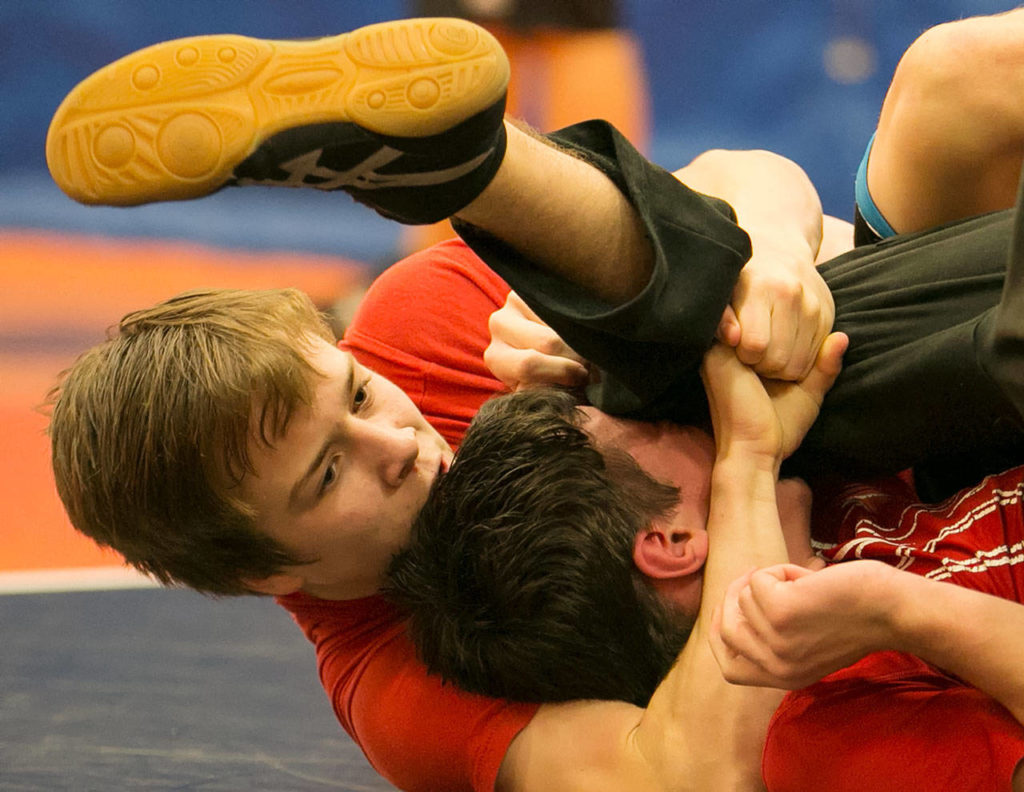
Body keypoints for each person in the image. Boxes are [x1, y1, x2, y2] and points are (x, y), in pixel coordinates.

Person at [43, 10, 1024, 792]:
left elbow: (735, 174)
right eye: (328, 471)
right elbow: (689, 774)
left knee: (963, 69)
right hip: (899, 459)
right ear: (266, 575)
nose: (401, 437)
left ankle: (471, 168)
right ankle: (497, 188)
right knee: (655, 373)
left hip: (864, 348)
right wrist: (745, 460)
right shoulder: (396, 685)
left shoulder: (414, 329)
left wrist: (767, 249)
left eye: (356, 390)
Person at [386, 368, 1024, 790]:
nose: (666, 408)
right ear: (671, 542)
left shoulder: (821, 484)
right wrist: (899, 610)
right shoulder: (826, 736)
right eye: (649, 427)